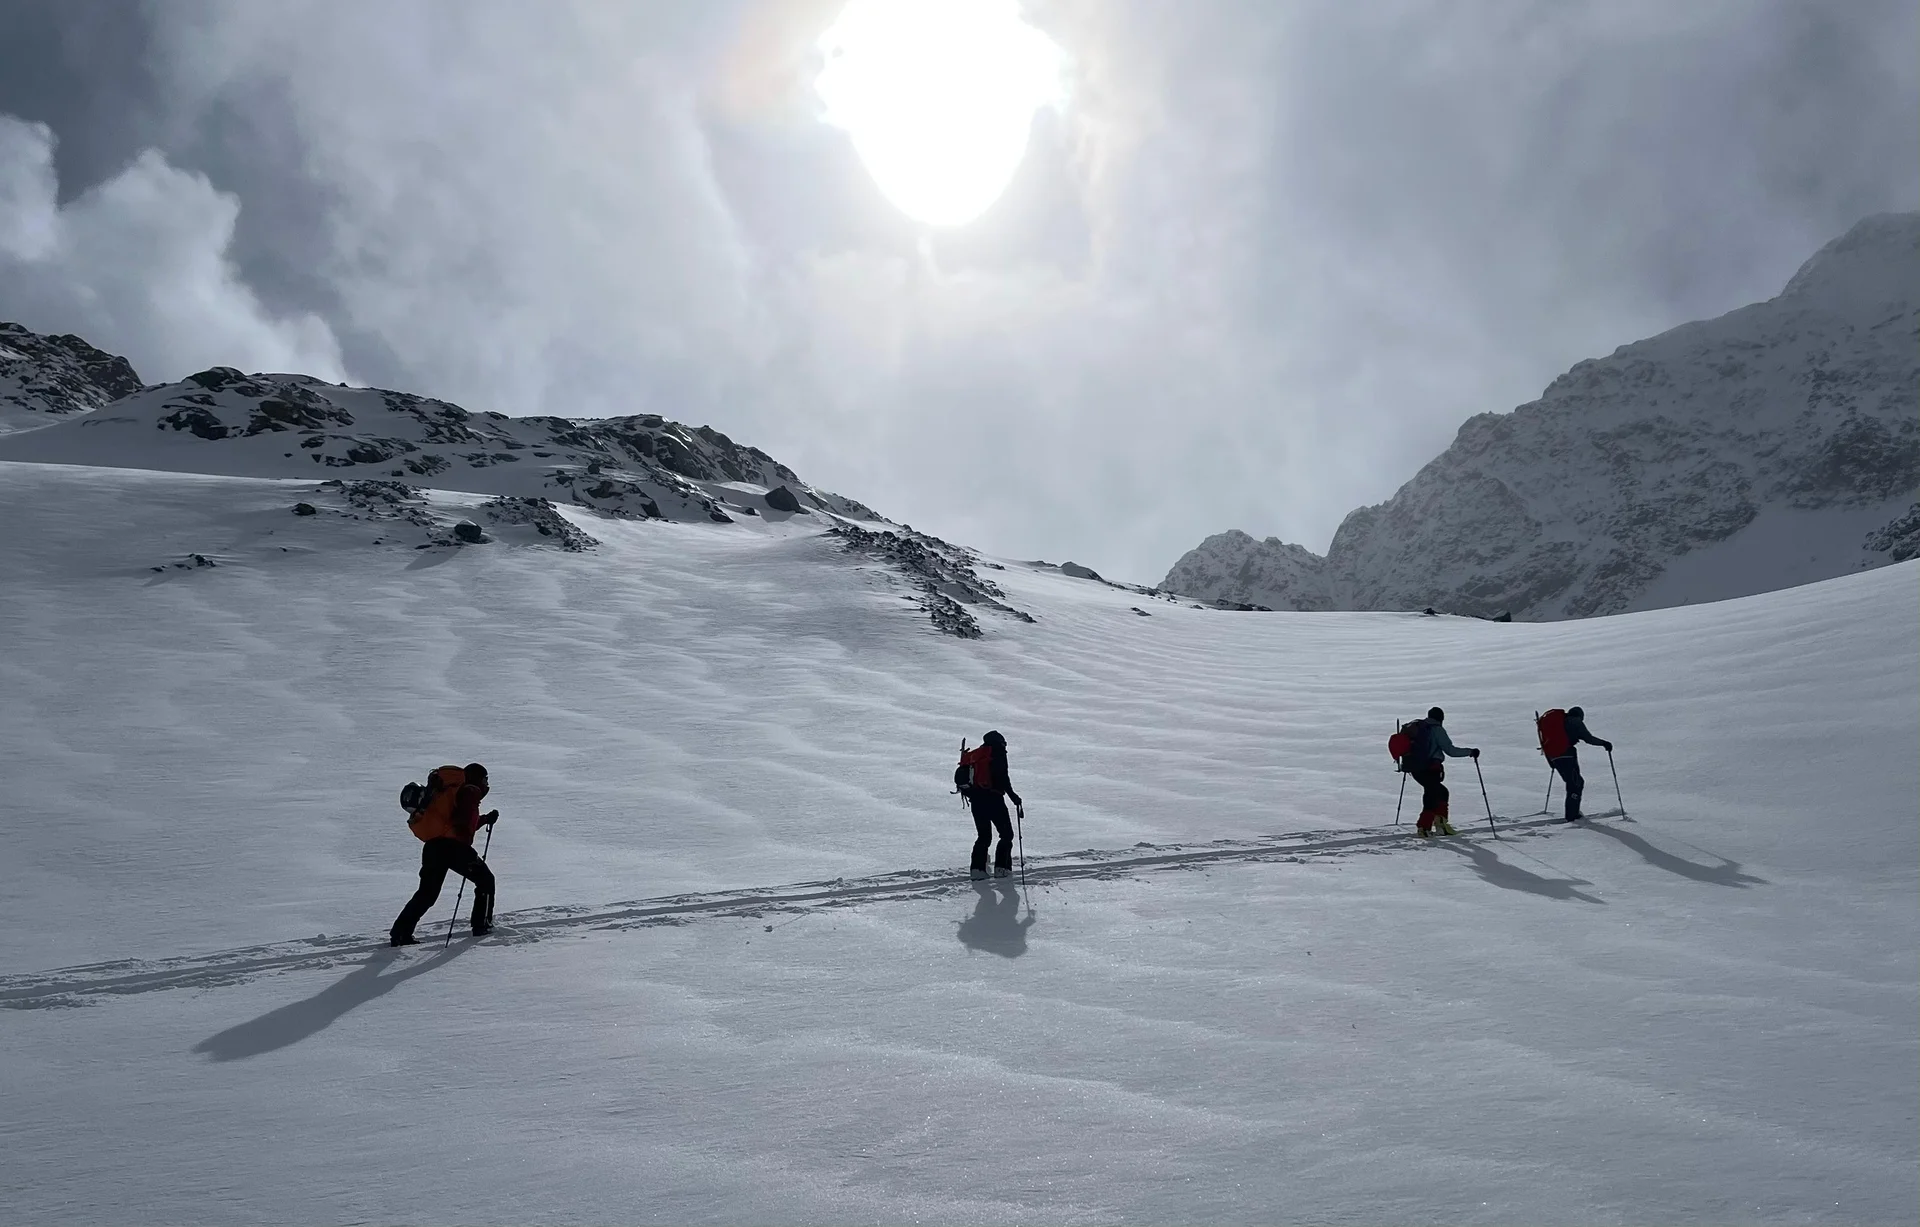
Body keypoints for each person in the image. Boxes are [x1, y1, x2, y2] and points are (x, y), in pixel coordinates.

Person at [390, 762, 499, 946]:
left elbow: (454, 821)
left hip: (433, 846)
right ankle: (482, 925)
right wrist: (467, 839)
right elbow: (463, 822)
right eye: (485, 779)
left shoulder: (449, 791)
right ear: (478, 778)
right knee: (486, 880)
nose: (486, 783)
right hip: (454, 848)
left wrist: (485, 819)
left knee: (427, 893)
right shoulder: (470, 791)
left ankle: (400, 933)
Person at [1406, 707, 1479, 838]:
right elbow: (1450, 751)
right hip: (1430, 768)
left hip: (1414, 768)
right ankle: (1425, 828)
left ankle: (1440, 825)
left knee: (1440, 792)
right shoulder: (1436, 729)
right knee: (1432, 795)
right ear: (1441, 718)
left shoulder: (1418, 727)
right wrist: (1470, 752)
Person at [968, 730, 1024, 880]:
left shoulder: (977, 755)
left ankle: (977, 870)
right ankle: (1002, 868)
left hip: (976, 800)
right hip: (994, 799)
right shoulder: (997, 753)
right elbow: (1003, 777)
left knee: (984, 836)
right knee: (1006, 834)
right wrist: (1014, 797)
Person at [1548, 706, 1613, 822]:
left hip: (1554, 756)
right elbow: (1588, 738)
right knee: (1576, 784)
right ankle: (1572, 816)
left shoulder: (1559, 723)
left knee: (1573, 782)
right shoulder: (1575, 721)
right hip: (1567, 755)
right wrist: (1604, 743)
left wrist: (1551, 762)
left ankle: (1572, 813)